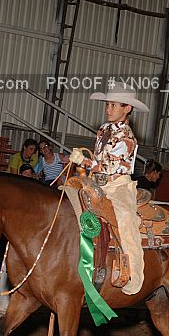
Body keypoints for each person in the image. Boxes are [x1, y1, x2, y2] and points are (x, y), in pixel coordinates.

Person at [70, 83, 149, 295]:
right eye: (107, 104)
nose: (108, 109)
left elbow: (110, 166)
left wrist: (85, 162)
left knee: (125, 219)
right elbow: (99, 158)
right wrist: (87, 164)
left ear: (127, 108)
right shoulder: (104, 129)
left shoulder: (127, 136)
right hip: (97, 181)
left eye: (114, 105)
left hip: (118, 185)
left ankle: (134, 274)